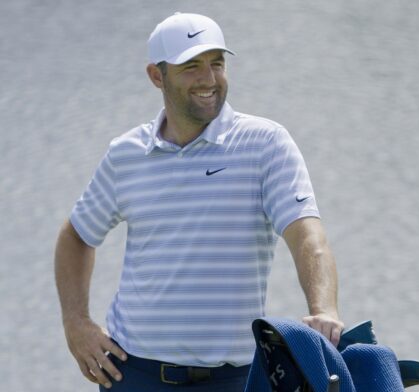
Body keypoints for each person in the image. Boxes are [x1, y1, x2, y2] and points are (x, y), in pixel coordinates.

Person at [54, 12, 344, 391]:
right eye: (191, 67)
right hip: (134, 374)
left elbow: (308, 236)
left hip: (234, 379)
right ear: (157, 76)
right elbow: (76, 236)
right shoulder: (126, 154)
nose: (209, 80)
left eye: (217, 64)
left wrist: (323, 309)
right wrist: (76, 323)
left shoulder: (265, 144)